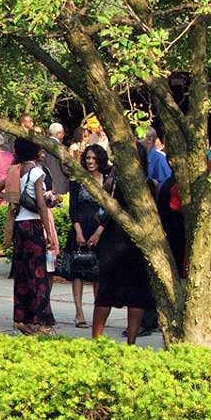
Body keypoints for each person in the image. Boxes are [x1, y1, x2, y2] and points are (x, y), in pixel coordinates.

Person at [91, 144, 157, 344]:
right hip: (137, 243)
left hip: (113, 241)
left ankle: (97, 339)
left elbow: (102, 204)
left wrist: (112, 174)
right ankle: (131, 341)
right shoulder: (149, 185)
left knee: (106, 294)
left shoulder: (116, 184)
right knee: (136, 297)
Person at [0, 138, 56, 335]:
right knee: (39, 274)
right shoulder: (37, 172)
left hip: (19, 223)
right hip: (33, 224)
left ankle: (22, 318)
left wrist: (14, 199)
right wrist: (49, 233)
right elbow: (42, 206)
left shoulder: (14, 171)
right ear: (35, 152)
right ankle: (41, 321)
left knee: (22, 273)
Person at [65, 144, 110, 328]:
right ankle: (79, 312)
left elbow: (110, 208)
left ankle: (97, 312)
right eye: (88, 158)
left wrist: (99, 232)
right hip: (80, 226)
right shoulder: (77, 180)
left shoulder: (107, 180)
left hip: (101, 228)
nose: (90, 162)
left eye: (94, 158)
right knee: (78, 271)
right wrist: (78, 231)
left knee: (98, 272)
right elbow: (73, 207)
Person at [43, 122, 70, 195]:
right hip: (60, 185)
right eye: (63, 133)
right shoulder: (61, 148)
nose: (64, 135)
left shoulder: (42, 145)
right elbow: (66, 169)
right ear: (59, 134)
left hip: (45, 183)